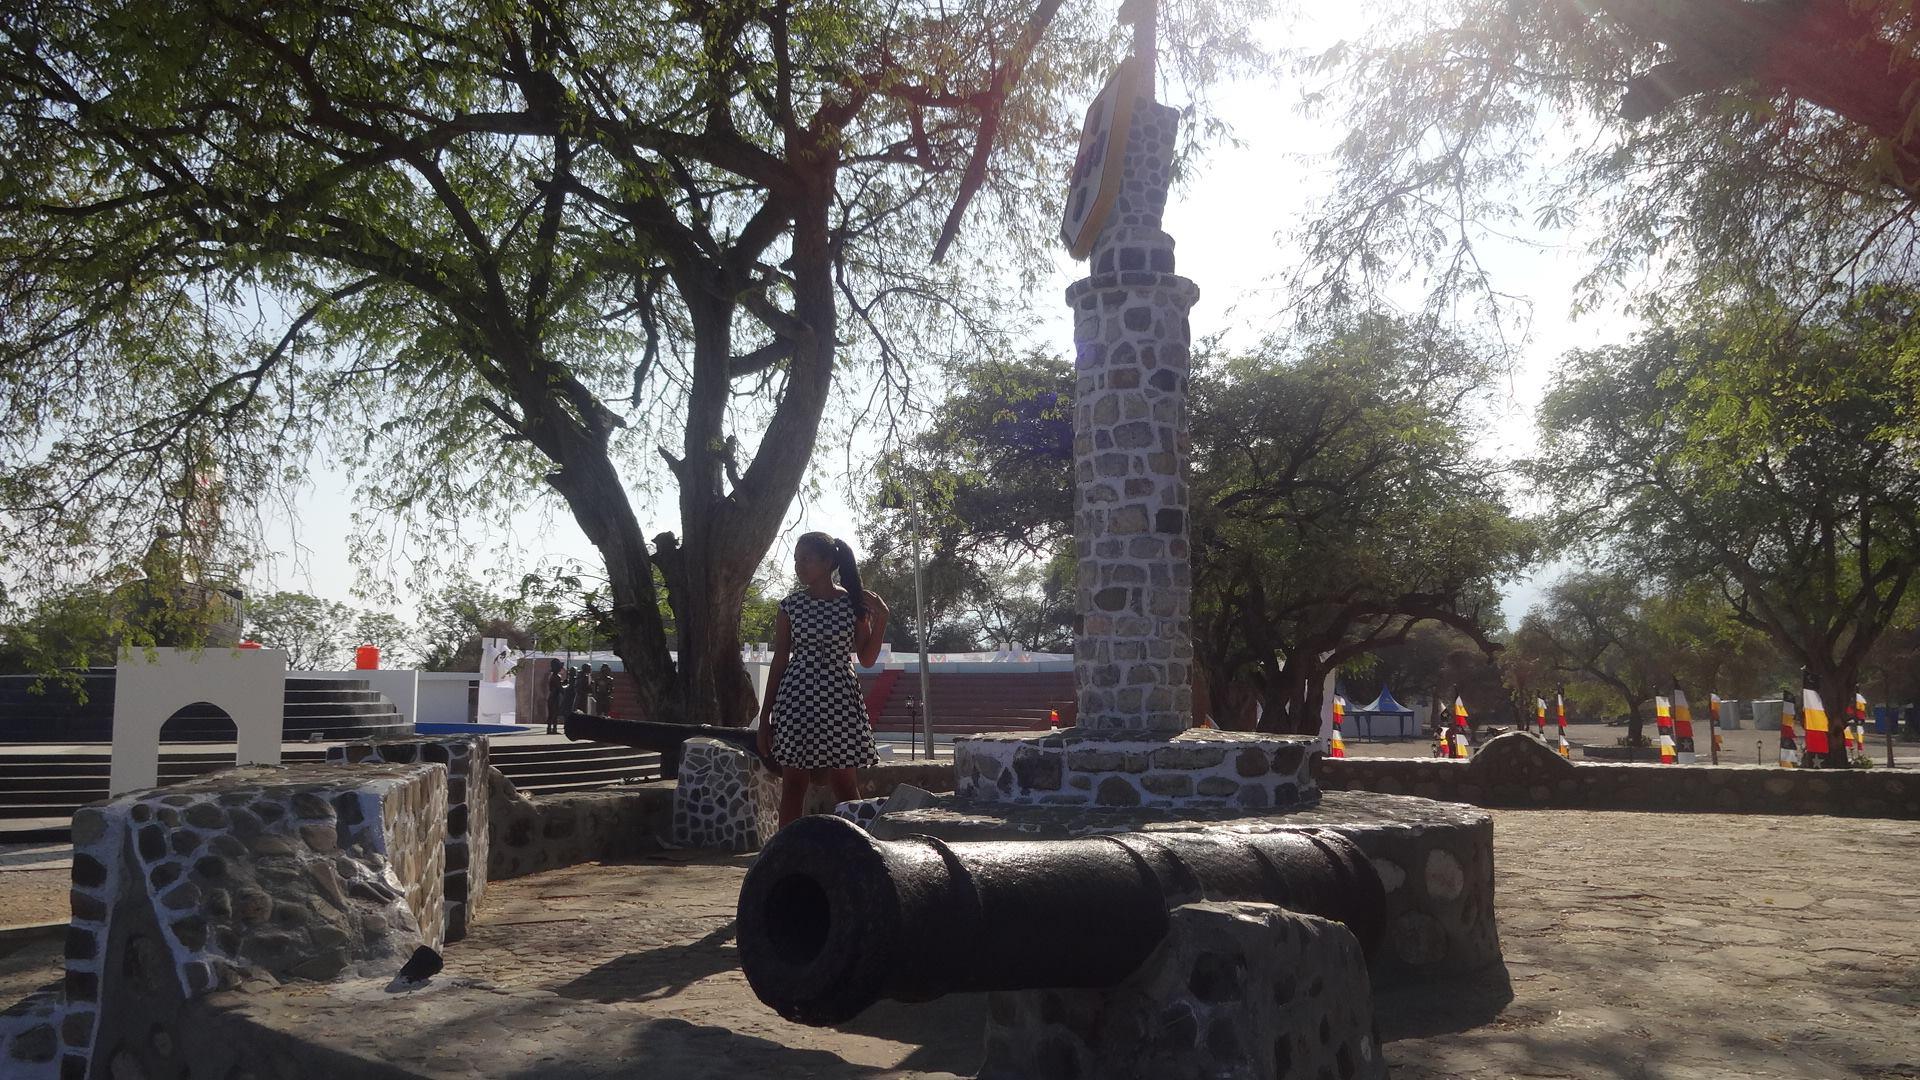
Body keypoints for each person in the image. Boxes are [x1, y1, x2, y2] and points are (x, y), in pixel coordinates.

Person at [757, 532, 890, 828]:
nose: (799, 566)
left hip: (840, 697)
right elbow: (780, 661)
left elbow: (866, 659)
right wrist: (765, 718)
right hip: (796, 698)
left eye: (806, 559)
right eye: (796, 559)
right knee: (793, 783)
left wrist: (881, 619)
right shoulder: (789, 607)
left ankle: (857, 851)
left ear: (828, 561)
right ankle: (787, 854)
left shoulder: (854, 605)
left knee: (844, 783)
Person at [544, 659, 566, 735]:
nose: (560, 668)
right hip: (554, 697)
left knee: (552, 714)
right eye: (559, 667)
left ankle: (550, 729)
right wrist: (565, 691)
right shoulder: (556, 677)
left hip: (552, 697)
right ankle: (553, 729)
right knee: (554, 714)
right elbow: (560, 688)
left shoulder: (552, 676)